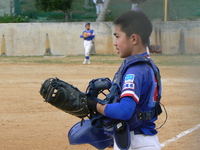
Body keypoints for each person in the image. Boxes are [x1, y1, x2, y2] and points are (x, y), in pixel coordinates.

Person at [88, 10, 162, 150]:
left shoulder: (134, 71)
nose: (115, 43)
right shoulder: (146, 64)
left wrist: (93, 105)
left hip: (137, 143)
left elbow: (124, 110)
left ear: (134, 39)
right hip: (139, 138)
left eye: (117, 36)